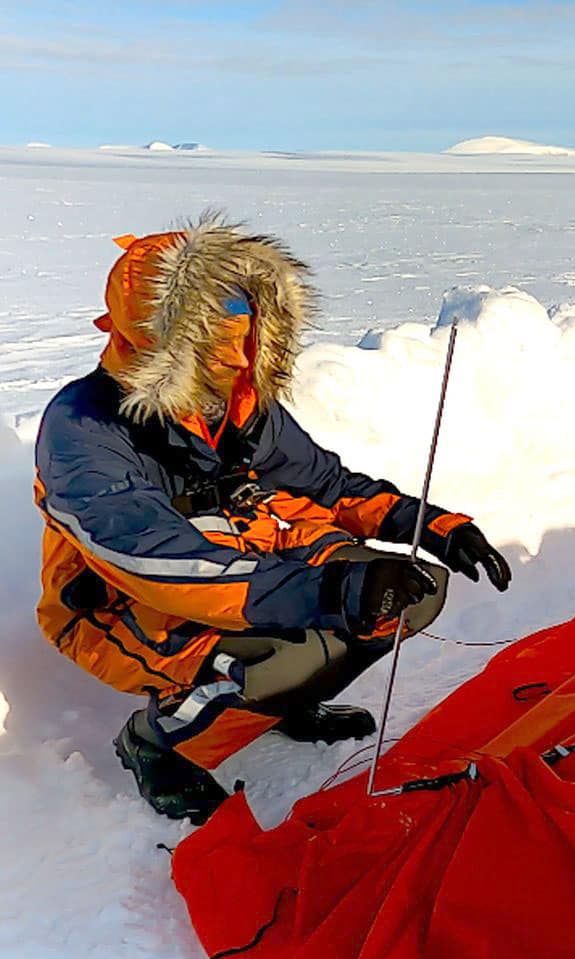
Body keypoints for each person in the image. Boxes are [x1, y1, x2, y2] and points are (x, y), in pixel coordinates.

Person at [32, 216, 511, 824]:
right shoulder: (85, 425)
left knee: (409, 593)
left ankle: (286, 700)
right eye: (219, 343)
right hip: (120, 605)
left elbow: (329, 486)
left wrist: (431, 525)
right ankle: (158, 743)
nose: (238, 361)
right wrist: (327, 590)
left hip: (247, 563)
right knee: (293, 649)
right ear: (163, 338)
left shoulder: (240, 406)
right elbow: (149, 557)